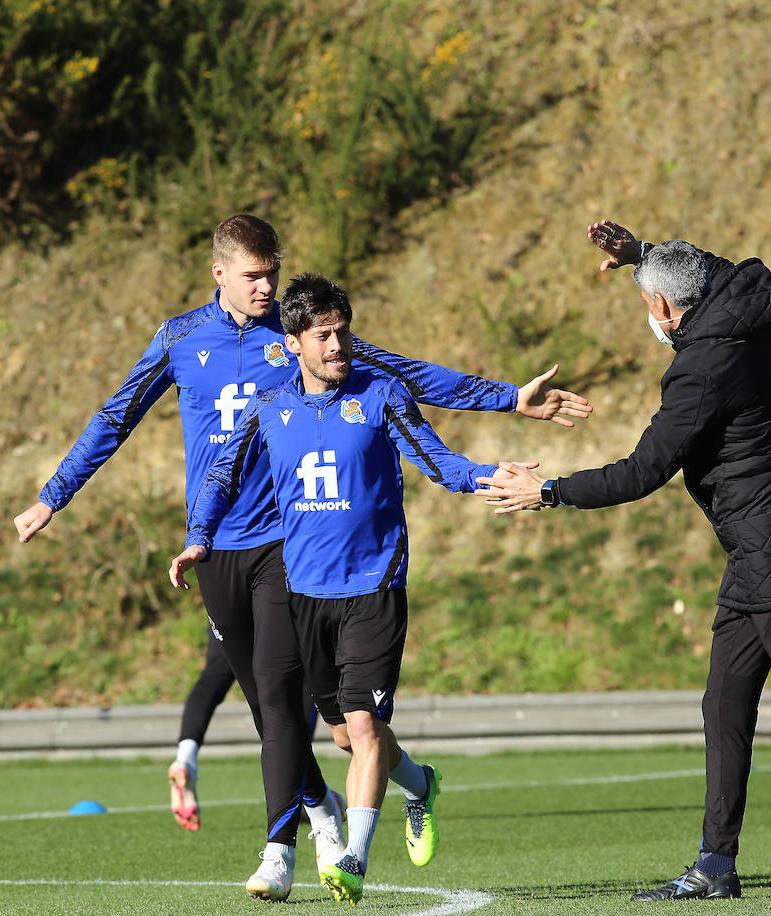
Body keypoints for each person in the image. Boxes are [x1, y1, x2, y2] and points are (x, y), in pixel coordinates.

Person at [14, 214, 591, 900]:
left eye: (272, 273)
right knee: (276, 712)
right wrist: (54, 495)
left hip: (291, 546)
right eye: (253, 275)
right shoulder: (180, 339)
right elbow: (116, 417)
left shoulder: (303, 338)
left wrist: (506, 400)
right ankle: (338, 803)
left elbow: (405, 375)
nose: (265, 286)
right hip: (216, 544)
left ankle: (282, 849)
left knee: (297, 708)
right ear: (219, 274)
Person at [476, 220, 771, 898]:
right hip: (764, 544)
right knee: (723, 703)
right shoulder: (743, 300)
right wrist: (642, 257)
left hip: (769, 552)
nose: (649, 316)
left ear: (667, 309)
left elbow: (641, 471)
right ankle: (715, 865)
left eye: (648, 303)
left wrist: (547, 491)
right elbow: (708, 267)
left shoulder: (700, 370)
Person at [171, 273, 519, 905]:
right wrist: (201, 536)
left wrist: (490, 477)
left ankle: (353, 856)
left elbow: (438, 460)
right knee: (341, 732)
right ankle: (419, 783)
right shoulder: (270, 407)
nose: (336, 345)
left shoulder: (381, 396)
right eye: (322, 334)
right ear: (294, 341)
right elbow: (221, 473)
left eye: (342, 331)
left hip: (375, 584)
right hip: (305, 591)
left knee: (361, 726)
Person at [168, 632, 233, 831]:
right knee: (289, 680)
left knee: (213, 678)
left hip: (224, 603)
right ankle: (303, 787)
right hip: (271, 605)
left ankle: (185, 756)